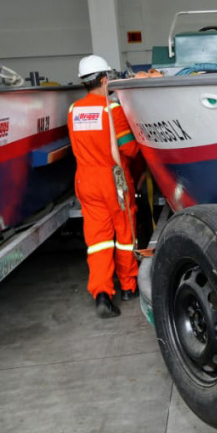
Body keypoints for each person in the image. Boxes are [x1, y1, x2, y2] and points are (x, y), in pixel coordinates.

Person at [67, 55, 141, 318]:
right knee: (124, 234)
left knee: (97, 241)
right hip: (112, 181)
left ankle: (102, 294)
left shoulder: (74, 110)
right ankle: (129, 287)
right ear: (102, 79)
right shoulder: (112, 110)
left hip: (85, 181)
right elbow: (129, 149)